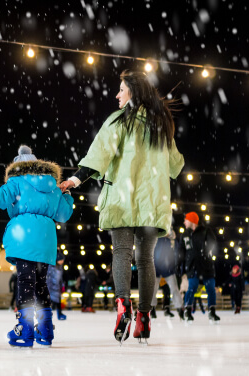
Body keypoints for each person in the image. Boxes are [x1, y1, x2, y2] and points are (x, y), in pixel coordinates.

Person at [60, 70, 184, 344]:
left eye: (121, 89)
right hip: (152, 204)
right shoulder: (161, 125)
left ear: (133, 92)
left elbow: (99, 155)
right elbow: (176, 166)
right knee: (145, 260)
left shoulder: (119, 121)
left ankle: (122, 306)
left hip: (122, 200)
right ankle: (144, 318)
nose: (117, 95)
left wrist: (74, 178)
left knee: (122, 254)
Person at [0, 145, 74, 347]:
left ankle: (25, 328)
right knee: (40, 284)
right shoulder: (53, 187)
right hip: (46, 242)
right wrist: (65, 195)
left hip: (24, 239)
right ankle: (46, 329)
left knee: (25, 283)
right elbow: (64, 214)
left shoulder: (17, 182)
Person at [178, 212, 220, 323]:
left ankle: (212, 311)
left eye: (186, 220)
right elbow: (181, 252)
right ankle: (187, 311)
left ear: (191, 221)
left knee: (210, 288)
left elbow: (213, 243)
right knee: (192, 287)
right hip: (192, 266)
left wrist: (205, 252)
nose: (184, 222)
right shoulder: (185, 235)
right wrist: (180, 268)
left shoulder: (206, 231)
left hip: (207, 265)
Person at [150, 229, 184, 319]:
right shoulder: (157, 238)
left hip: (168, 268)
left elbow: (177, 252)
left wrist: (174, 265)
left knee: (174, 289)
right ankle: (152, 309)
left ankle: (180, 308)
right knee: (153, 290)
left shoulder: (171, 240)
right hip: (157, 267)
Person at [46, 252, 67, 320]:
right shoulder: (51, 267)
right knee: (50, 302)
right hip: (51, 287)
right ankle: (48, 315)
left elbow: (60, 278)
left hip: (57, 287)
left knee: (58, 302)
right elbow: (49, 278)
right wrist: (49, 287)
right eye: (61, 260)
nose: (62, 261)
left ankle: (59, 314)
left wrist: (62, 286)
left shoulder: (60, 268)